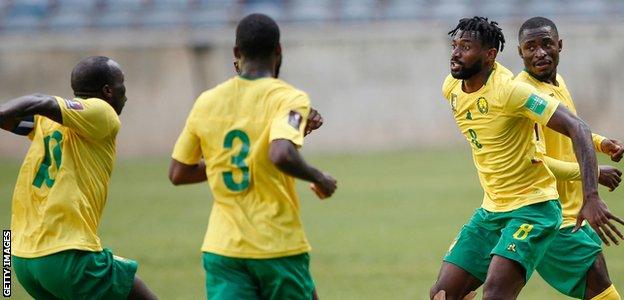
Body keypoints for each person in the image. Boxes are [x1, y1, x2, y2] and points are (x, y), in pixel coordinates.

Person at [429, 16, 624, 300]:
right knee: (443, 294)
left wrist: (591, 193)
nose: (456, 54)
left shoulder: (512, 92)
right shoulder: (452, 87)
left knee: (496, 293)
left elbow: (576, 128)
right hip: (492, 209)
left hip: (534, 209)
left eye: (465, 47)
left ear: (489, 55)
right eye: (455, 46)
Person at [168, 13, 337, 299]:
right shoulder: (289, 98)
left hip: (223, 249)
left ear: (236, 53)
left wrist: (229, 160)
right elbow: (280, 153)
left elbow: (179, 173)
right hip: (275, 243)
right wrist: (320, 177)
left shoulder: (207, 101)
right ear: (278, 51)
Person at [0, 56, 157, 299]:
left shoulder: (49, 120)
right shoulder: (102, 111)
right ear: (107, 91)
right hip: (65, 252)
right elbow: (41, 101)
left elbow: (15, 119)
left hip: (22, 258)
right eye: (121, 84)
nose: (125, 93)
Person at [515, 16, 623, 300]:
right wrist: (594, 173)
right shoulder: (524, 96)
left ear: (560, 45)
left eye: (546, 44)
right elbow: (535, 162)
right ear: (520, 52)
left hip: (575, 211)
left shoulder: (557, 82)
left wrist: (601, 143)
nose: (540, 53)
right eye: (531, 47)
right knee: (603, 292)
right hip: (552, 218)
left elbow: (572, 131)